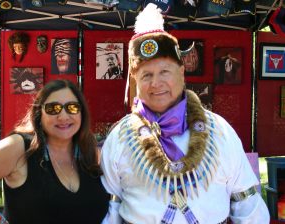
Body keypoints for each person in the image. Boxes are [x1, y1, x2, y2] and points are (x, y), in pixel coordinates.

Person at [100, 4, 270, 224]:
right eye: (146, 75)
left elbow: (248, 205)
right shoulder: (120, 138)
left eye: (164, 72)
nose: (156, 83)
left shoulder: (220, 131)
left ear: (181, 72)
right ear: (135, 80)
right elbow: (110, 210)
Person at [0, 79, 109, 224]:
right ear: (39, 112)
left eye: (72, 107)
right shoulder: (20, 148)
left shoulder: (91, 153)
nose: (63, 116)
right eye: (53, 108)